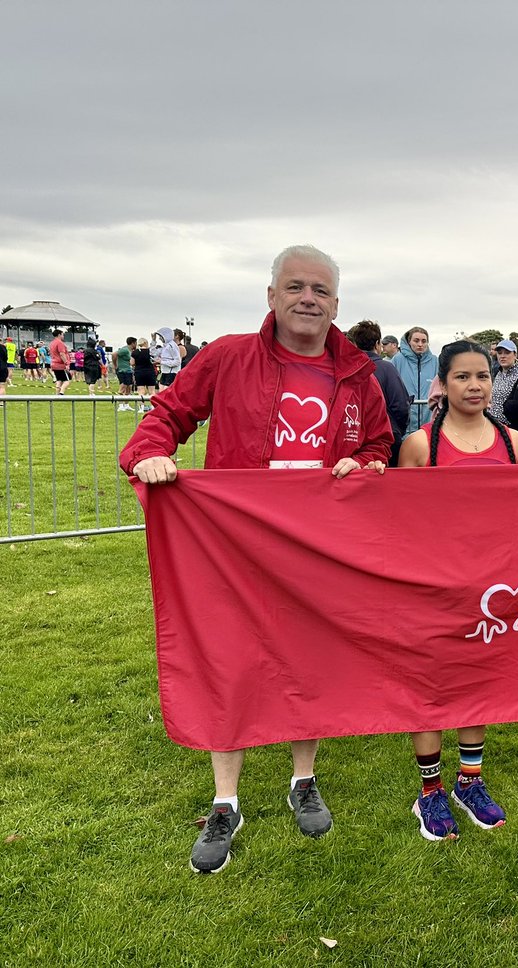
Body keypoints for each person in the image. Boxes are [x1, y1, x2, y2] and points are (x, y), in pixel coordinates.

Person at [118, 244, 392, 874]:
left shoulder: (357, 374)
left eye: (320, 290)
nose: (307, 298)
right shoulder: (227, 355)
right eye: (294, 286)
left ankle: (303, 779)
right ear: (271, 295)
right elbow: (168, 413)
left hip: (317, 548)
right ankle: (225, 800)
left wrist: (367, 464)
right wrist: (148, 455)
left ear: (336, 304)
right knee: (229, 662)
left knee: (309, 658)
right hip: (234, 547)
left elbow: (377, 441)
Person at [399, 339, 518, 841]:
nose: (475, 385)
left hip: (492, 589)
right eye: (462, 377)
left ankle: (470, 781)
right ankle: (430, 791)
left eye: (482, 376)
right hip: (435, 589)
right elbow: (397, 522)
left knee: (478, 684)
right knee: (431, 688)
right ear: (443, 383)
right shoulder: (422, 445)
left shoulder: (515, 443)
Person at [346, 320, 411, 467]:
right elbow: (401, 405)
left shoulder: (347, 369)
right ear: (377, 344)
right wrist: (396, 429)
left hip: (352, 438)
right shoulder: (387, 368)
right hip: (386, 439)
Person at [487, 338, 518, 426]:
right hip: (494, 423)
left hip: (510, 426)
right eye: (500, 353)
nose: (502, 356)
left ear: (515, 355)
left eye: (507, 352)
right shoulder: (499, 373)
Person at [132, 338, 158, 409]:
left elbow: (132, 363)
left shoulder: (135, 352)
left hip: (139, 372)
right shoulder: (150, 351)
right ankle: (152, 406)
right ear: (146, 343)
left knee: (141, 391)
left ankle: (142, 407)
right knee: (152, 391)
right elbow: (155, 360)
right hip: (150, 372)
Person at [49, 329, 72, 395]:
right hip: (60, 364)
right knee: (67, 380)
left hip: (54, 364)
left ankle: (57, 394)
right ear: (59, 335)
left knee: (59, 379)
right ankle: (61, 392)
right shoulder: (60, 343)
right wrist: (66, 363)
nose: (63, 336)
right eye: (62, 334)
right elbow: (62, 354)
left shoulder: (52, 343)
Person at [115, 337, 136, 408]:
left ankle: (126, 405)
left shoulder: (131, 351)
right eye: (135, 343)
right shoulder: (124, 350)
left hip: (129, 370)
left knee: (129, 387)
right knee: (122, 386)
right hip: (122, 370)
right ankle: (120, 405)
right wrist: (115, 365)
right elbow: (114, 354)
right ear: (133, 343)